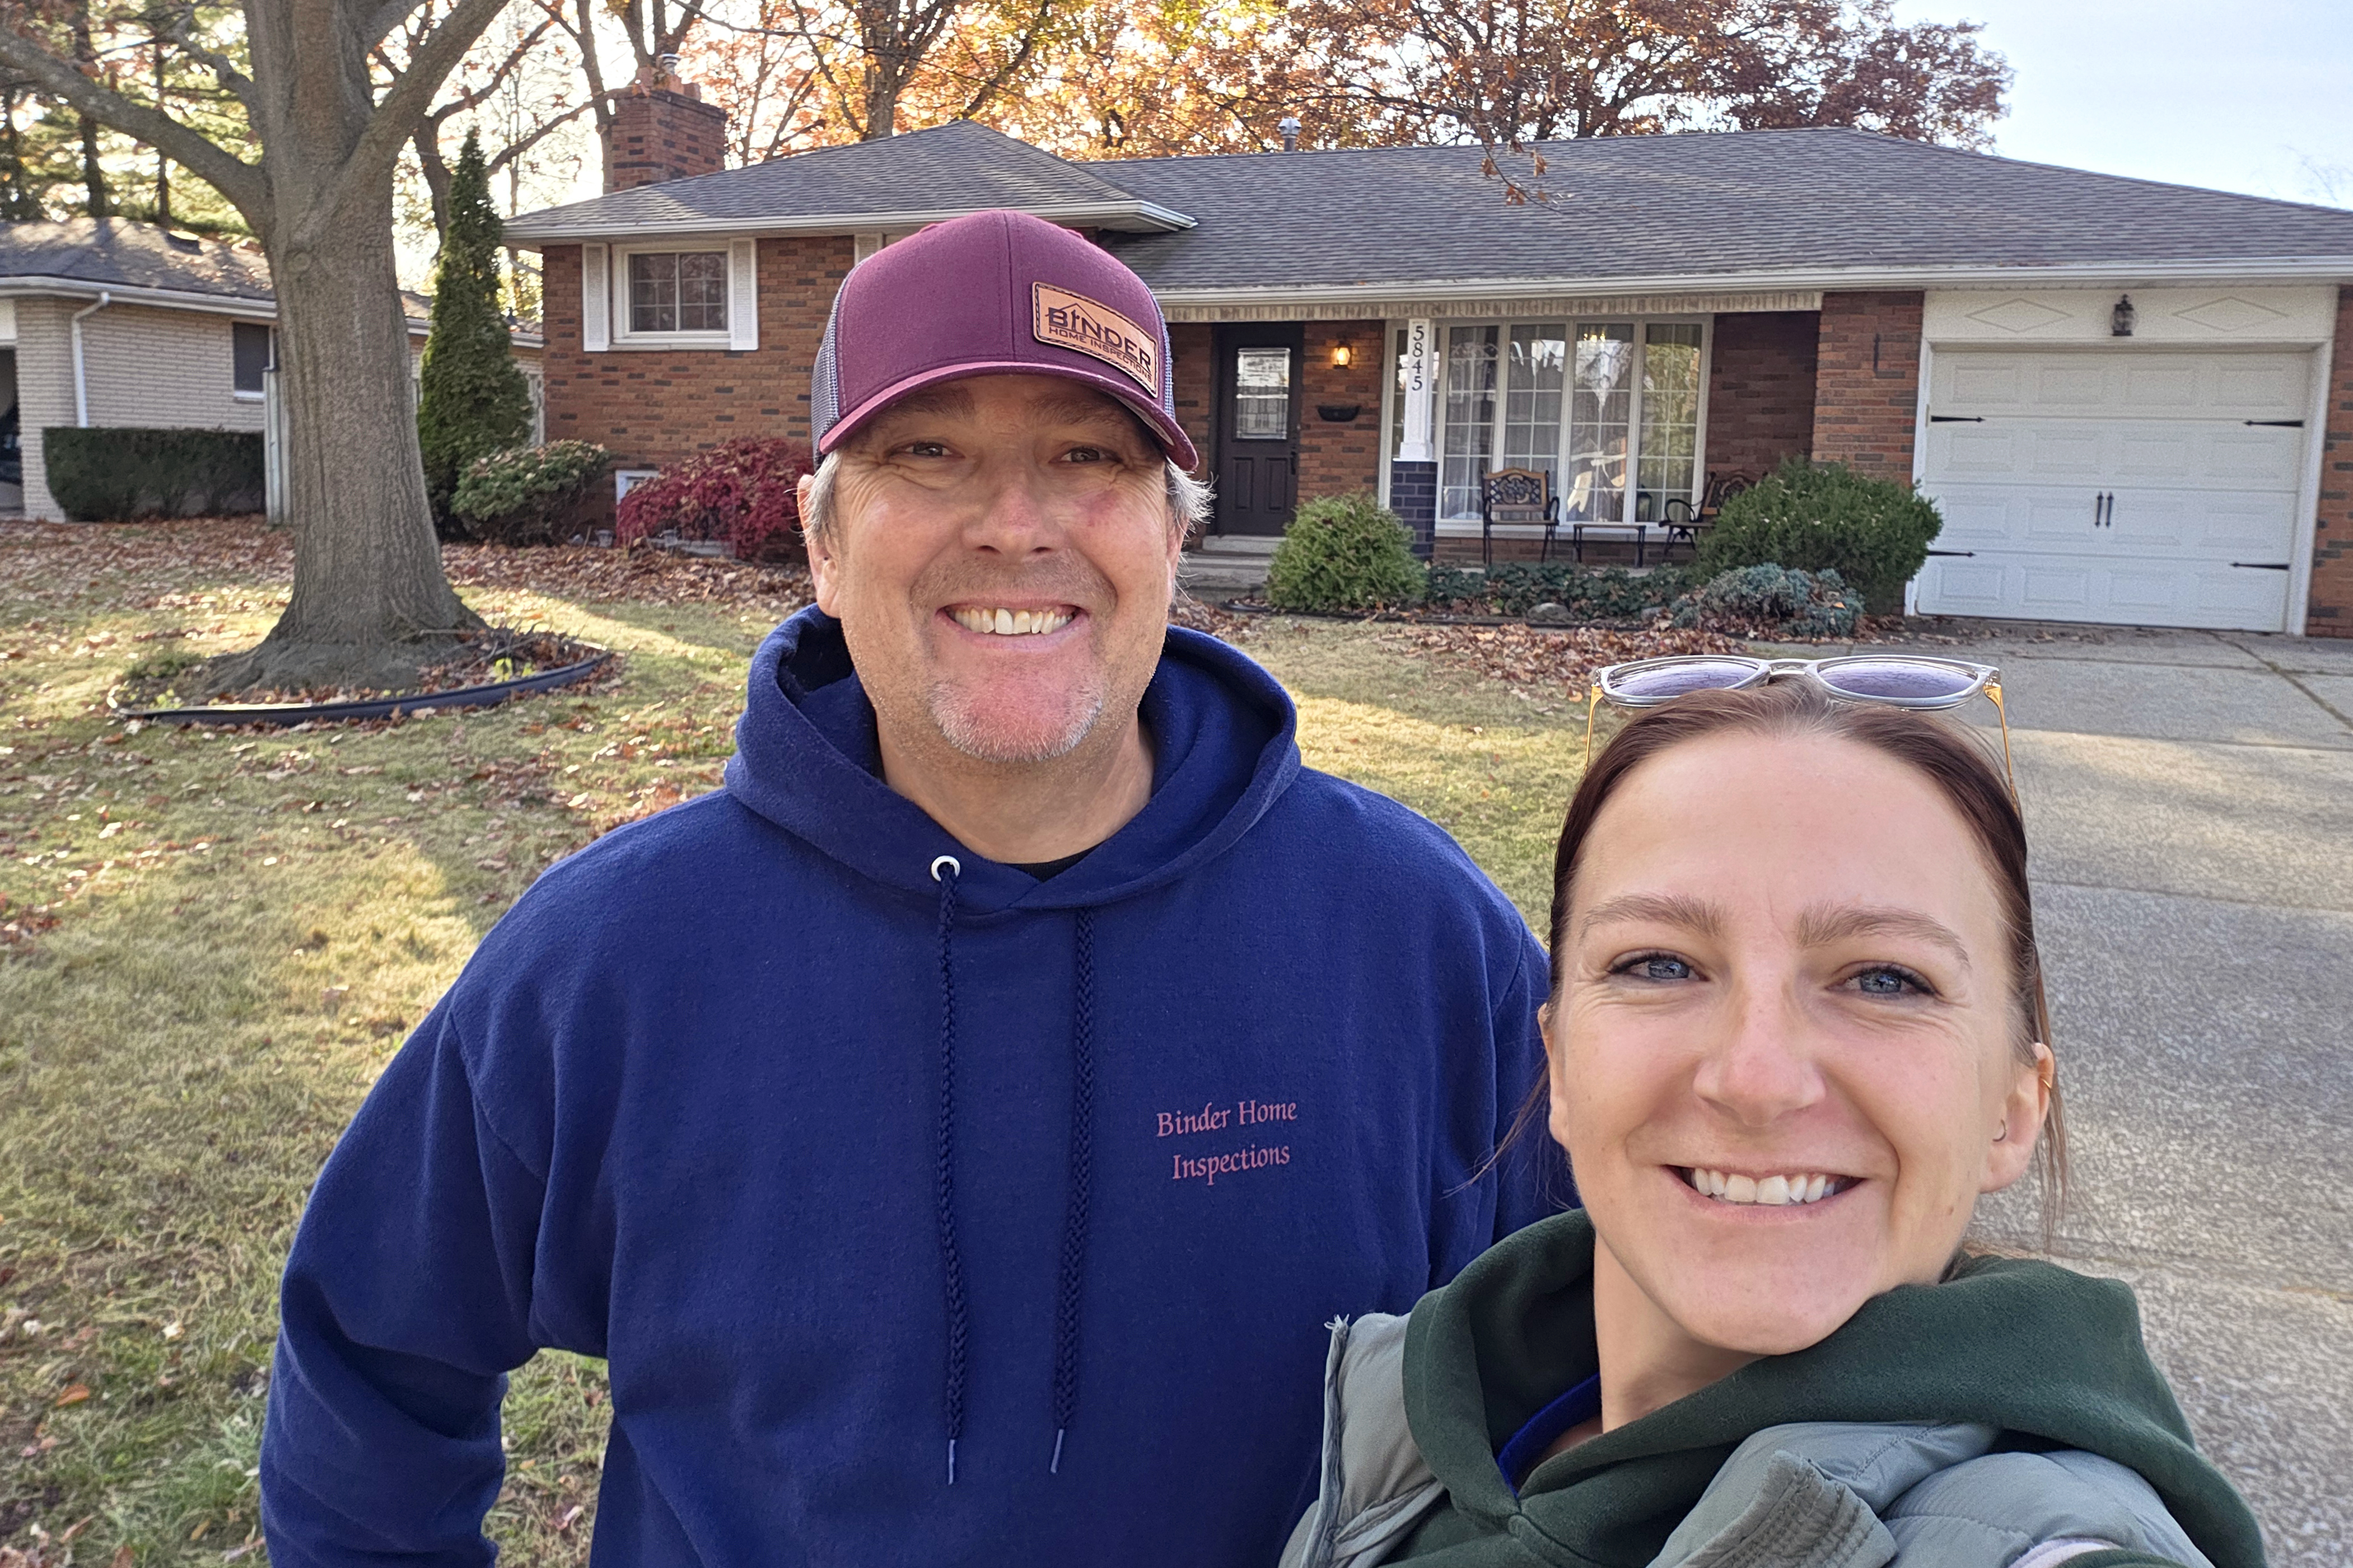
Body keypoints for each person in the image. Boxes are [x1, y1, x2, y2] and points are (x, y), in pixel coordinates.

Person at [259, 209, 1561, 1566]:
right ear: (822, 544)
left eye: (1087, 457)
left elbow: (1610, 1353)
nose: (1013, 526)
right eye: (927, 454)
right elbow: (372, 1356)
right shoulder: (613, 963)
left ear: (1172, 541)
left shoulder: (1414, 937)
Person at [1283, 662, 2263, 1568]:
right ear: (1561, 1068)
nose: (1756, 1078)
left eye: (1884, 978)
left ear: (2012, 1110)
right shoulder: (1402, 1423)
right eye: (1658, 963)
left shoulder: (2039, 1541)